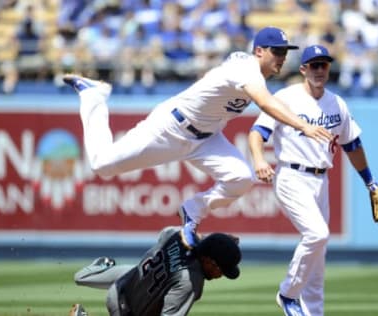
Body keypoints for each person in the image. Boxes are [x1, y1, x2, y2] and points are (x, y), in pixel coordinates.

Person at [62, 26, 333, 249]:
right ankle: (93, 96)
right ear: (259, 51)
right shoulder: (247, 69)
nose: (282, 57)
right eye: (276, 51)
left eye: (285, 52)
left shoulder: (250, 69)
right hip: (170, 128)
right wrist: (304, 126)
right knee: (102, 165)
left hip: (206, 138)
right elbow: (265, 103)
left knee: (241, 178)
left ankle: (192, 211)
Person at [248, 45, 378, 316]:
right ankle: (288, 294)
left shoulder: (337, 103)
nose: (320, 70)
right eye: (314, 65)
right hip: (291, 175)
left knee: (318, 258)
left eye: (324, 65)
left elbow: (353, 145)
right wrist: (259, 160)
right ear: (303, 69)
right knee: (317, 234)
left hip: (321, 181)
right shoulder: (285, 97)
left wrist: (371, 183)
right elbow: (257, 132)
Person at [69, 226, 241, 316]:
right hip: (124, 309)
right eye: (221, 270)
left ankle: (102, 265)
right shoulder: (191, 282)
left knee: (80, 278)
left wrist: (208, 240)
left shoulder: (177, 234)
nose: (221, 275)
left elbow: (165, 233)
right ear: (209, 260)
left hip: (127, 280)